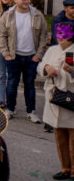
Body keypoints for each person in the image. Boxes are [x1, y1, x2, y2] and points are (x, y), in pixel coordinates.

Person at [0, 0, 50, 123]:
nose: (26, 1)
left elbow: (44, 36)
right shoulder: (8, 15)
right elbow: (2, 35)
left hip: (31, 57)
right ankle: (10, 109)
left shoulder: (37, 15)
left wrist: (38, 55)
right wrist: (6, 54)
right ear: (15, 0)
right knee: (12, 84)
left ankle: (31, 111)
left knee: (30, 85)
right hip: (13, 57)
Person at [39, 22, 74, 179]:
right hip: (54, 97)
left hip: (71, 98)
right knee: (59, 136)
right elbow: (40, 66)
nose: (60, 37)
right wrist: (46, 68)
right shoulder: (52, 50)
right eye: (59, 34)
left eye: (64, 34)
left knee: (73, 137)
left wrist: (72, 71)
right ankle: (65, 168)